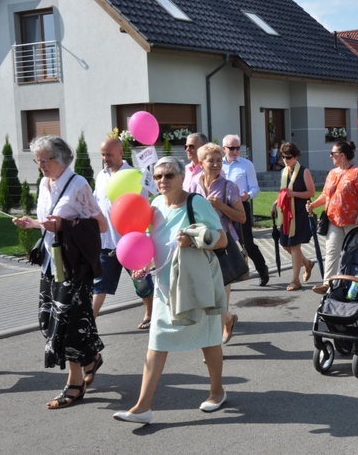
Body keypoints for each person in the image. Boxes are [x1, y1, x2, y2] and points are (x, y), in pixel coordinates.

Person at [113, 157, 229, 424]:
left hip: (194, 285)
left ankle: (217, 391)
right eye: (157, 177)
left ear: (180, 178)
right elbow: (153, 242)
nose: (162, 181)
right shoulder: (154, 206)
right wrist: (143, 264)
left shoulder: (195, 203)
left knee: (209, 341)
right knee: (156, 344)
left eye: (169, 176)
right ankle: (142, 407)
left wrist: (193, 239)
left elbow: (221, 238)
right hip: (165, 289)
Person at [13, 135, 107, 409]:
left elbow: (99, 225)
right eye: (37, 160)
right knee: (47, 319)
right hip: (51, 263)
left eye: (45, 159)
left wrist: (64, 226)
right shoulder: (45, 183)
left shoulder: (79, 184)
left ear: (61, 158)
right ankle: (91, 359)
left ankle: (75, 383)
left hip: (74, 267)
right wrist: (32, 224)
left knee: (68, 324)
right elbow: (49, 221)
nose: (40, 164)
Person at [92, 138, 154, 329]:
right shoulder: (101, 176)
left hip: (131, 242)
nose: (105, 159)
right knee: (99, 284)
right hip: (107, 241)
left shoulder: (134, 175)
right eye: (103, 154)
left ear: (121, 152)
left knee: (142, 282)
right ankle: (89, 322)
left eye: (109, 154)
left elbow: (145, 203)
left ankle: (150, 313)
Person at [192, 143, 245, 342]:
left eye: (218, 160)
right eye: (210, 160)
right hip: (199, 245)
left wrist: (221, 206)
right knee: (205, 296)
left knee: (220, 295)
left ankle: (213, 342)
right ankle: (228, 319)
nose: (215, 164)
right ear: (200, 163)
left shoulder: (228, 186)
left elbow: (242, 217)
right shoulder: (193, 185)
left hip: (223, 246)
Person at [308, 141, 358, 294]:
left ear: (342, 156)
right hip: (333, 220)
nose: (330, 156)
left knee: (354, 253)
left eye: (333, 153)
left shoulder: (357, 172)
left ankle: (356, 284)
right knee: (332, 252)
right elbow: (325, 195)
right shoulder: (332, 173)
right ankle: (328, 284)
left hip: (353, 220)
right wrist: (313, 205)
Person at [222, 134, 270, 286]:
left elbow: (255, 187)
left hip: (240, 206)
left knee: (246, 243)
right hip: (222, 208)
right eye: (232, 148)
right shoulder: (219, 165)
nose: (235, 151)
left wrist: (247, 196)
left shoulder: (246, 164)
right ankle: (227, 278)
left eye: (238, 148)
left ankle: (262, 269)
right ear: (224, 149)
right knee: (223, 242)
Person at [272, 142, 316, 291]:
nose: (285, 160)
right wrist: (275, 203)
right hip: (286, 213)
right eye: (283, 157)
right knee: (285, 244)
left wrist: (294, 194)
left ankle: (295, 280)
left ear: (296, 156)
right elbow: (283, 193)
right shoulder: (284, 172)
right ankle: (307, 263)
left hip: (299, 212)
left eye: (288, 157)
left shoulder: (304, 171)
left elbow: (311, 193)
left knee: (295, 245)